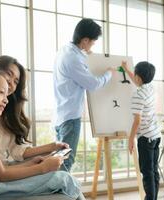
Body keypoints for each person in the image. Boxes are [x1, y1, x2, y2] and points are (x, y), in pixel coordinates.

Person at [0, 67, 83, 199]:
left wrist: (31, 163)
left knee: (64, 179)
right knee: (64, 179)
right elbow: (1, 174)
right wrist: (43, 168)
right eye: (1, 92)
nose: (6, 99)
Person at [53, 18, 115, 171]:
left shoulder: (65, 50)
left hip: (61, 115)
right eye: (92, 42)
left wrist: (87, 53)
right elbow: (92, 84)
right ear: (85, 40)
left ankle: (61, 192)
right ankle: (64, 194)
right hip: (70, 118)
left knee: (60, 158)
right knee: (66, 160)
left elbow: (78, 66)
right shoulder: (73, 58)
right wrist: (108, 74)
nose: (92, 45)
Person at [121, 61, 161, 200]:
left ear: (138, 77)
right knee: (153, 170)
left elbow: (137, 120)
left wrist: (131, 139)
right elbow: (137, 80)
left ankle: (149, 198)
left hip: (145, 138)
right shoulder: (150, 87)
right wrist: (126, 69)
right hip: (155, 136)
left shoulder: (138, 95)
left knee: (147, 172)